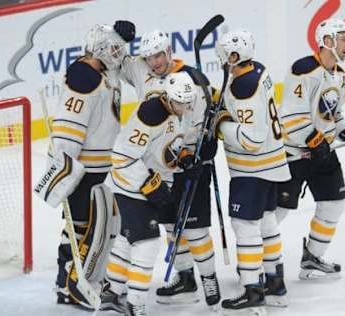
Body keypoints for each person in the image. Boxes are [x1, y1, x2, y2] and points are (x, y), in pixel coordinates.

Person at [102, 29, 221, 309]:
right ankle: (185, 278)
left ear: (168, 51)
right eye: (148, 57)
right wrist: (118, 37)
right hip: (154, 169)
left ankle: (208, 279)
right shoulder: (143, 75)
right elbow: (114, 59)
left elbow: (211, 114)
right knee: (169, 228)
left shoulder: (192, 80)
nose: (154, 62)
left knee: (195, 230)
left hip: (187, 162)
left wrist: (200, 150)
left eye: (157, 55)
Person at [34, 21, 135, 307]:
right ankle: (66, 283)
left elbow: (125, 64)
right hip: (84, 168)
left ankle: (84, 278)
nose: (119, 53)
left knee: (98, 226)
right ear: (101, 49)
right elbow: (68, 129)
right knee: (78, 227)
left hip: (102, 165)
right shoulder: (84, 78)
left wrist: (122, 33)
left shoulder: (104, 69)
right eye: (114, 48)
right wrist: (64, 171)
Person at [276, 18, 345, 280]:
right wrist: (316, 141)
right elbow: (291, 118)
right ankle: (257, 264)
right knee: (277, 212)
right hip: (293, 154)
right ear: (327, 41)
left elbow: (334, 116)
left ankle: (312, 258)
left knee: (333, 204)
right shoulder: (303, 70)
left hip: (322, 154)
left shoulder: (340, 77)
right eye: (342, 39)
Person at [103, 72, 197, 315]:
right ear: (167, 97)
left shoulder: (176, 110)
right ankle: (136, 303)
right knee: (147, 243)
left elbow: (167, 144)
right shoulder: (150, 115)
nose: (183, 108)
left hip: (144, 186)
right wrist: (150, 185)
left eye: (187, 103)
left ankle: (111, 290)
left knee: (127, 240)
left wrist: (183, 157)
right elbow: (122, 157)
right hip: (130, 188)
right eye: (179, 103)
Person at [212, 29, 291, 314]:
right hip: (274, 164)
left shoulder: (240, 87)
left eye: (224, 53)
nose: (221, 57)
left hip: (252, 170)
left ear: (235, 55)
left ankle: (252, 289)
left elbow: (251, 140)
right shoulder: (258, 70)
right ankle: (275, 282)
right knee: (267, 223)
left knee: (246, 228)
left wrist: (222, 125)